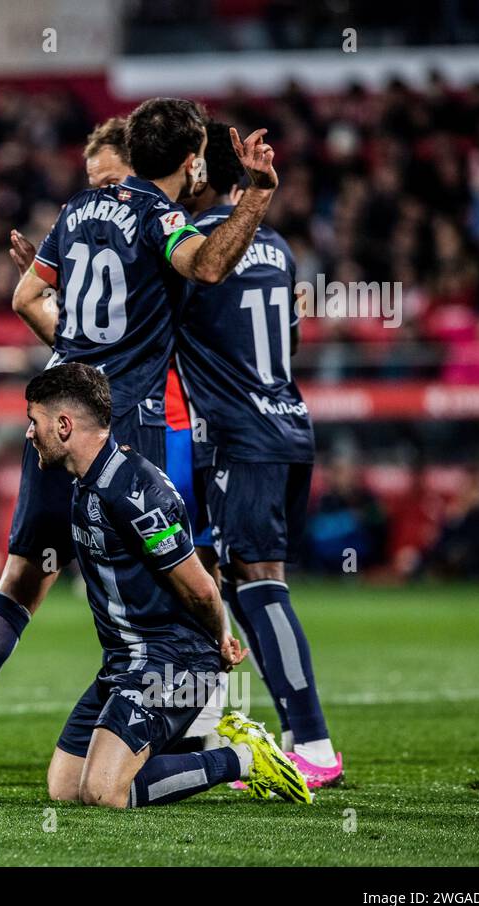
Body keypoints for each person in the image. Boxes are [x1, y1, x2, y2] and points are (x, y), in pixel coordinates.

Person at [0, 99, 279, 761]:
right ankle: (195, 737)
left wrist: (76, 355)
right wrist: (253, 199)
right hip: (126, 424)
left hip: (56, 422)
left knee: (22, 577)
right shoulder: (162, 217)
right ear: (189, 162)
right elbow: (209, 266)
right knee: (174, 583)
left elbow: (24, 297)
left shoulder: (75, 210)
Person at [24, 362, 311, 807]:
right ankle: (164, 755)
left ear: (63, 426)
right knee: (65, 788)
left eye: (34, 422)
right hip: (125, 663)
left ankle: (242, 758)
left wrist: (220, 639)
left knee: (103, 792)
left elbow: (197, 585)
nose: (29, 433)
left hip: (172, 662)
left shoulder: (134, 491)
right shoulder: (90, 482)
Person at [178, 121, 342, 788]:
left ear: (200, 173)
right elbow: (289, 340)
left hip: (240, 434)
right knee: (241, 583)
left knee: (260, 585)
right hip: (290, 423)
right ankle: (214, 729)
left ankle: (315, 745)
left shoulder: (195, 248)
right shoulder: (274, 244)